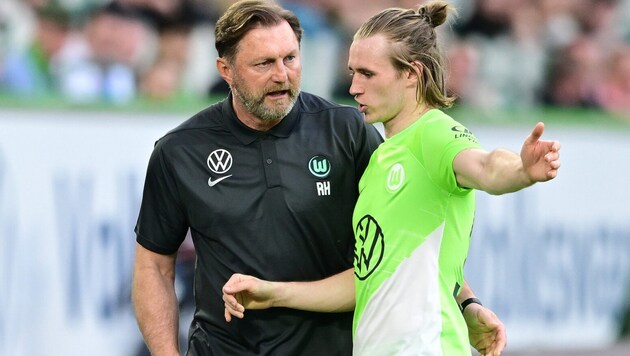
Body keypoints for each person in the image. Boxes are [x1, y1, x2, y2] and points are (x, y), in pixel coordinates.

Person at [132, 1, 505, 355]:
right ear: (225, 70)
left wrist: (465, 301)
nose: (282, 75)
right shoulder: (179, 151)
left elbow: (407, 233)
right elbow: (152, 265)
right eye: (263, 63)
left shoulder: (345, 130)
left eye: (290, 58)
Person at [222, 1, 560, 355]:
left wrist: (522, 171)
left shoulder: (434, 133)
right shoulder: (380, 159)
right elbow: (367, 278)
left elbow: (486, 166)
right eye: (352, 72)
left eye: (368, 74)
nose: (353, 87)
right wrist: (273, 292)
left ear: (411, 73)